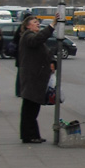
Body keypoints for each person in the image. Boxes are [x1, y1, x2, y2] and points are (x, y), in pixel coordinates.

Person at [17, 14, 56, 143]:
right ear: (28, 26)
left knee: (32, 108)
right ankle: (29, 135)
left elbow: (45, 52)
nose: (37, 23)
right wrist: (52, 25)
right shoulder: (28, 36)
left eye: (38, 22)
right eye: (34, 22)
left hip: (36, 77)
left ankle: (32, 134)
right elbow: (38, 39)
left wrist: (52, 61)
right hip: (32, 77)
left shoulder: (31, 37)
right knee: (30, 108)